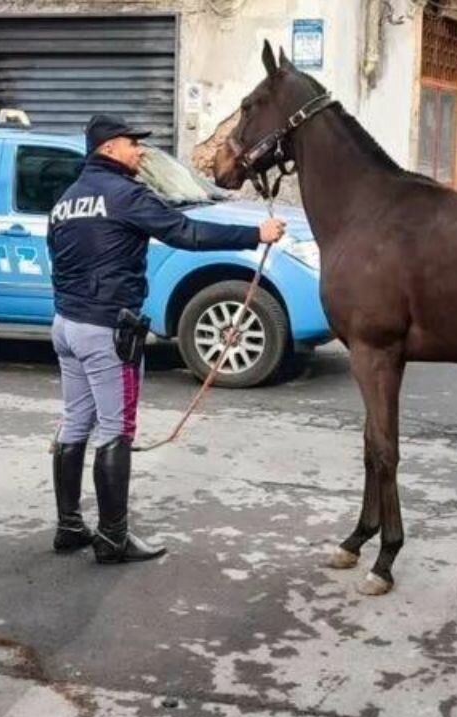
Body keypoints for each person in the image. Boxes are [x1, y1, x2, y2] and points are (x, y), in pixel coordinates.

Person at [46, 114, 287, 563]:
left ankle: (69, 526)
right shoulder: (124, 194)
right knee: (116, 431)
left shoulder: (66, 200)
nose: (139, 150)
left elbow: (58, 259)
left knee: (76, 423)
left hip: (66, 325)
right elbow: (186, 232)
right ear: (108, 149)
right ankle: (113, 538)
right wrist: (256, 234)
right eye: (131, 143)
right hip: (107, 330)